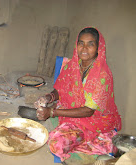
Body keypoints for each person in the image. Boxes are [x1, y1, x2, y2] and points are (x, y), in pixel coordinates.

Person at [34, 27, 122, 162]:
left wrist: (53, 112)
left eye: (90, 44)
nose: (84, 48)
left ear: (99, 47)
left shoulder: (101, 75)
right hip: (73, 112)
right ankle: (87, 141)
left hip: (95, 120)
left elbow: (88, 111)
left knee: (55, 144)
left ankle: (96, 141)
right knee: (54, 141)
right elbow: (61, 89)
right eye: (81, 43)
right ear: (77, 45)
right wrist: (48, 97)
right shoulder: (73, 66)